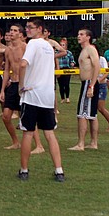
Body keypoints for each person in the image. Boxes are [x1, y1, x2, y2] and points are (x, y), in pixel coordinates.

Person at [17, 18, 65, 182]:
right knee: (50, 133)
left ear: (39, 29)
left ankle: (24, 170)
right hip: (47, 96)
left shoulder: (34, 44)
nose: (27, 30)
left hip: (32, 95)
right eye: (26, 27)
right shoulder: (49, 47)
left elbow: (23, 64)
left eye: (30, 27)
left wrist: (21, 86)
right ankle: (59, 171)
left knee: (28, 133)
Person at [69, 28, 100, 151]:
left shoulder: (90, 49)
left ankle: (81, 144)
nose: (78, 36)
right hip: (86, 83)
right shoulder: (83, 50)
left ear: (88, 37)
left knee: (82, 114)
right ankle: (93, 143)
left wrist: (91, 85)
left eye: (81, 34)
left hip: (89, 83)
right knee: (92, 115)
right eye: (78, 34)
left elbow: (97, 67)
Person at [96, 55, 109, 132]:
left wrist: (99, 81)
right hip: (91, 84)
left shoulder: (102, 59)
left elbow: (107, 73)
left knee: (100, 107)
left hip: (101, 85)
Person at [56, 37, 74, 104]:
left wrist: (72, 63)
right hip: (59, 69)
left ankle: (67, 97)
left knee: (66, 84)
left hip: (67, 69)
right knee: (61, 84)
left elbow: (72, 60)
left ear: (66, 46)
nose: (62, 46)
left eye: (63, 45)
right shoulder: (56, 53)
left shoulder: (69, 53)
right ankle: (62, 98)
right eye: (60, 45)